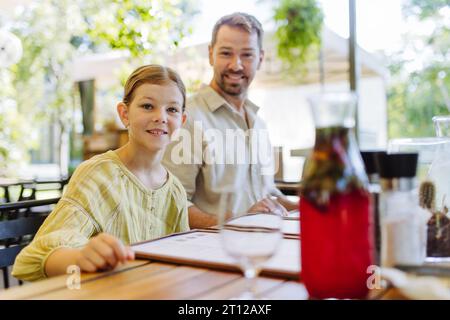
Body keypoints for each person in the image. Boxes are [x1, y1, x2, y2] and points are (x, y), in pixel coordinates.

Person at [12, 65, 189, 281]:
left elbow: (181, 263)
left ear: (181, 121)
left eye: (172, 109)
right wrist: (78, 258)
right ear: (124, 114)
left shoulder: (175, 192)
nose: (160, 117)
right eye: (147, 105)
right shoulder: (97, 174)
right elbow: (33, 258)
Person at [163, 12, 297, 229]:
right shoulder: (188, 119)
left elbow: (266, 194)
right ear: (210, 54)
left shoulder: (258, 123)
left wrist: (312, 207)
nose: (236, 65)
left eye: (247, 55)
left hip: (263, 245)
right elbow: (173, 205)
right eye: (226, 53)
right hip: (211, 253)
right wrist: (239, 224)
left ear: (260, 59)